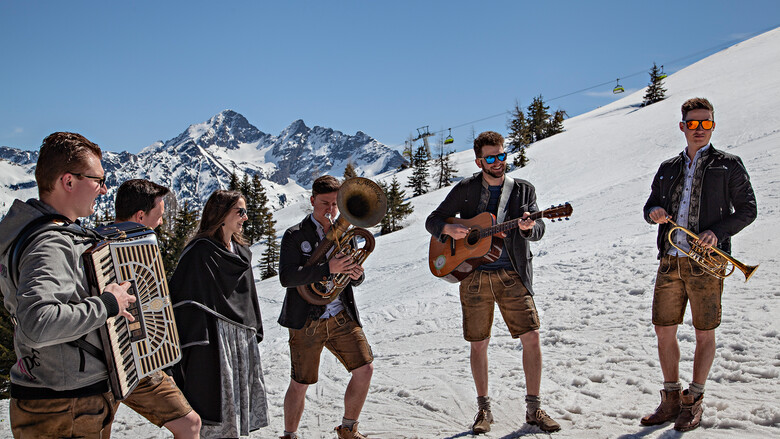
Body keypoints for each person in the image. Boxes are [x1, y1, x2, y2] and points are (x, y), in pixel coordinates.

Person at [0, 132, 137, 438]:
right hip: (65, 405)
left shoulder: (29, 229)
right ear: (68, 181)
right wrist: (107, 304)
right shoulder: (49, 243)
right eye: (97, 179)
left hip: (50, 393)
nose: (103, 189)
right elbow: (38, 323)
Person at [425, 131, 560, 434]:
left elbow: (538, 230)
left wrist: (527, 228)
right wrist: (449, 228)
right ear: (479, 160)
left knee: (532, 338)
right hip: (474, 277)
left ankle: (534, 408)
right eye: (491, 157)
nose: (499, 161)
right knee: (479, 344)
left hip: (513, 273)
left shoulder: (523, 190)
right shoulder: (466, 189)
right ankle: (483, 409)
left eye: (502, 155)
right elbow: (432, 220)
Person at [641, 97, 757, 432]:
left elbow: (748, 209)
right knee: (664, 330)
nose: (699, 129)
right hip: (670, 260)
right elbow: (651, 204)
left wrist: (717, 232)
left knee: (704, 332)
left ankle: (696, 399)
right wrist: (654, 214)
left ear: (713, 126)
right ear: (682, 126)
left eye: (706, 123)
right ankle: (671, 398)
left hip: (706, 264)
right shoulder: (668, 167)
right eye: (693, 123)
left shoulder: (729, 165)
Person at [278, 175, 374, 439]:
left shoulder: (347, 234)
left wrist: (356, 274)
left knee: (364, 369)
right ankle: (289, 435)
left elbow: (355, 277)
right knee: (300, 383)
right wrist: (326, 268)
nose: (331, 210)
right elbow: (287, 277)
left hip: (341, 316)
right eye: (324, 204)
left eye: (335, 204)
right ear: (312, 201)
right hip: (306, 321)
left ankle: (348, 428)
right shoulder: (295, 235)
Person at [168, 189, 268, 438]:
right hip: (213, 341)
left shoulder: (242, 252)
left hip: (240, 339)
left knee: (235, 406)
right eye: (240, 211)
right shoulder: (199, 252)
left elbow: (250, 296)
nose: (245, 217)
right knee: (215, 406)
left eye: (245, 211)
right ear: (221, 215)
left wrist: (254, 328)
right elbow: (182, 300)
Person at [111, 178, 202, 438]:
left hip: (143, 364)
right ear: (140, 216)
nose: (161, 222)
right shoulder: (98, 249)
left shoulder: (145, 247)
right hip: (107, 365)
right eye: (158, 216)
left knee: (190, 423)